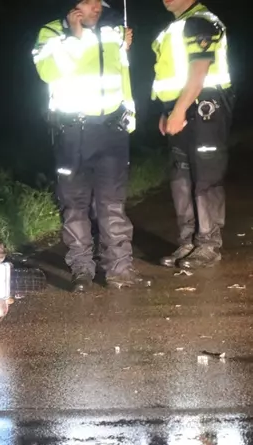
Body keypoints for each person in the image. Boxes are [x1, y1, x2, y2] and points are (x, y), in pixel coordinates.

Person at [32, 0, 151, 291]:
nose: (96, 7)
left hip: (111, 130)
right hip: (72, 132)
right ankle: (81, 269)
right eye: (88, 2)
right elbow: (49, 72)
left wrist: (129, 118)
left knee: (112, 204)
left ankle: (120, 270)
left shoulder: (113, 32)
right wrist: (75, 37)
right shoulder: (50, 34)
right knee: (74, 205)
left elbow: (123, 75)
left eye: (99, 2)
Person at [152, 0, 234, 269]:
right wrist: (169, 110)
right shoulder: (175, 27)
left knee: (205, 177)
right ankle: (188, 242)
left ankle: (208, 245)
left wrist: (179, 110)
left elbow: (199, 71)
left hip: (204, 107)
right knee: (181, 176)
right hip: (182, 105)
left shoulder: (200, 21)